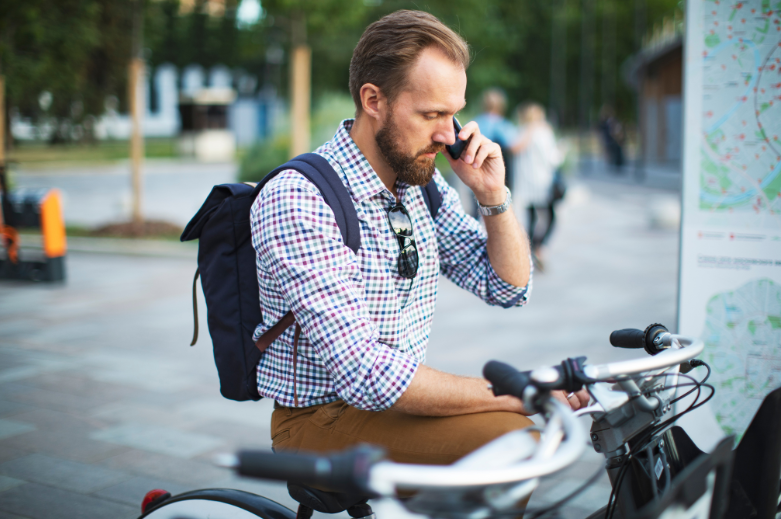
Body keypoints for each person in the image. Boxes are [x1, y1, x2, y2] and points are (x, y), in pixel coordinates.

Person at [250, 10, 589, 468]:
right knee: (513, 448)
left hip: (390, 404)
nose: (449, 135)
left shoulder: (419, 186)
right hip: (318, 420)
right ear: (373, 99)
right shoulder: (300, 198)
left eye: (454, 113)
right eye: (431, 114)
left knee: (516, 442)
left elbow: (508, 286)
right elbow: (365, 372)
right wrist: (514, 393)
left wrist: (493, 195)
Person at [511, 103, 562, 272]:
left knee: (531, 219)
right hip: (542, 184)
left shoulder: (520, 132)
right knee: (551, 218)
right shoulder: (544, 133)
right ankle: (539, 248)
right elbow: (552, 159)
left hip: (525, 186)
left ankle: (530, 251)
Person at [474, 88, 518, 191]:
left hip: (476, 169)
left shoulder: (475, 122)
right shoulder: (503, 125)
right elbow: (513, 147)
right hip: (499, 172)